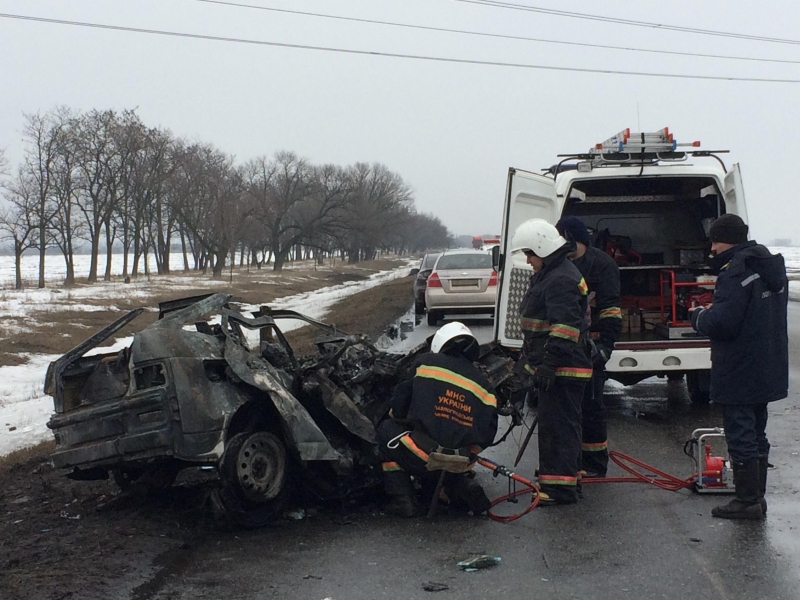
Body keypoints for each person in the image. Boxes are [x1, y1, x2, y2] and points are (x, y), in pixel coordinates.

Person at [690, 213, 788, 520]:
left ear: (721, 240)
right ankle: (757, 498)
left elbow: (723, 323)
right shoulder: (769, 266)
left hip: (739, 367)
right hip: (766, 364)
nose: (712, 250)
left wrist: (698, 316)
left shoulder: (735, 272)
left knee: (741, 432)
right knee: (757, 431)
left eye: (714, 243)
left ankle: (746, 501)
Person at [377, 322, 499, 517]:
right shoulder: (485, 386)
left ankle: (403, 501)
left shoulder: (425, 363)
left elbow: (399, 408)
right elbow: (488, 434)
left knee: (386, 429)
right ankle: (459, 486)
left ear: (439, 344)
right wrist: (466, 452)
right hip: (460, 462)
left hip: (423, 456)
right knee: (446, 460)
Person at [512, 218, 593, 505]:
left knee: (558, 428)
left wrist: (548, 365)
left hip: (563, 367)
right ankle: (565, 477)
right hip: (563, 365)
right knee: (564, 425)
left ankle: (559, 489)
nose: (527, 260)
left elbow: (564, 328)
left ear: (542, 249)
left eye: (529, 254)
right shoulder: (556, 272)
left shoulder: (559, 279)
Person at [556, 216, 622, 478]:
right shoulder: (559, 264)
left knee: (592, 406)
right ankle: (570, 461)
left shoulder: (602, 265)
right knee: (566, 409)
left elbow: (611, 308)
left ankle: (594, 464)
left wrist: (605, 345)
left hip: (592, 345)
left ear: (573, 237)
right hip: (566, 344)